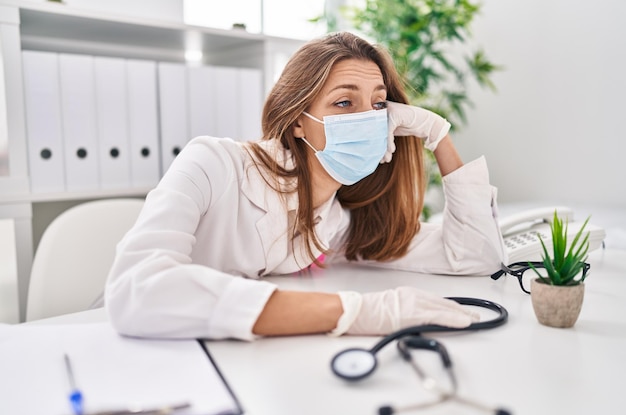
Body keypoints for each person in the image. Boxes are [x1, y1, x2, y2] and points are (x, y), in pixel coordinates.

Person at [105, 32, 505, 341]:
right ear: (298, 121)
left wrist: (437, 134)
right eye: (345, 103)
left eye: (379, 105)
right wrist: (352, 313)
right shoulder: (211, 164)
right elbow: (135, 290)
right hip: (128, 357)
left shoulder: (336, 222)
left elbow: (474, 256)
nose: (369, 118)